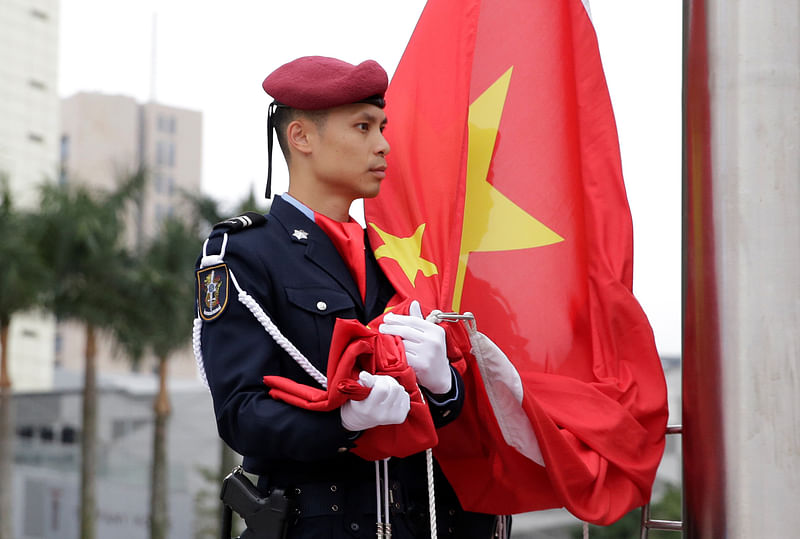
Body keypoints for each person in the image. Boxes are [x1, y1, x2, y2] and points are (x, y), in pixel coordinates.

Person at [195, 56, 505, 538]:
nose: (383, 145)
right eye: (363, 127)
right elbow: (241, 415)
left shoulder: (397, 254)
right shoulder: (246, 254)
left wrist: (446, 388)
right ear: (302, 137)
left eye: (382, 127)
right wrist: (344, 421)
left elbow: (445, 414)